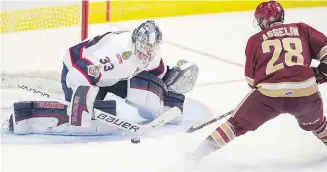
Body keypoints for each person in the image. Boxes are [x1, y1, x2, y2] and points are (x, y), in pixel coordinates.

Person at [189, 0, 327, 163]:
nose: (259, 22)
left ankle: (195, 157)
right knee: (318, 124)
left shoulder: (255, 40)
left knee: (235, 125)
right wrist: (321, 75)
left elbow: (251, 80)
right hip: (305, 92)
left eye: (260, 19)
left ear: (266, 18)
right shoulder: (302, 29)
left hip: (270, 95)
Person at [5, 20, 199, 135]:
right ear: (135, 41)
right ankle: (24, 118)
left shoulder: (151, 56)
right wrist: (82, 104)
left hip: (114, 77)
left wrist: (173, 88)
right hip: (78, 68)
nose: (146, 52)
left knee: (147, 90)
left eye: (151, 48)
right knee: (79, 121)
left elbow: (161, 74)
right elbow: (76, 76)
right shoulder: (116, 54)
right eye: (144, 46)